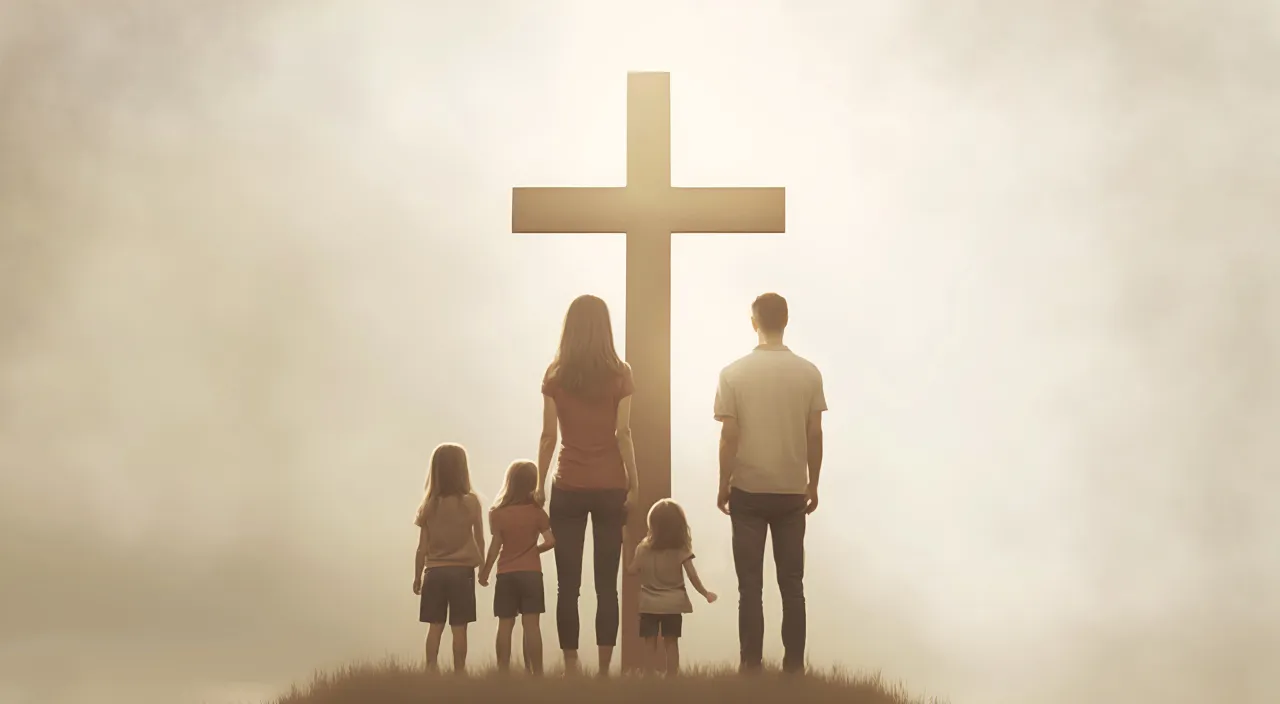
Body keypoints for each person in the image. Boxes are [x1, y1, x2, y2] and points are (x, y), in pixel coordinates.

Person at [713, 293, 826, 675]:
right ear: (787, 320)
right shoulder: (809, 372)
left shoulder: (733, 373)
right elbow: (815, 433)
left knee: (751, 587)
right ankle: (794, 667)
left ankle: (751, 666)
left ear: (753, 322)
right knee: (792, 584)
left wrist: (723, 482)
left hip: (747, 487)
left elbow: (729, 435)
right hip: (792, 488)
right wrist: (813, 483)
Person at [537, 294, 640, 676]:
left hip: (568, 485)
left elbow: (549, 436)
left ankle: (570, 663)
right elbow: (623, 431)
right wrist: (633, 481)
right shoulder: (621, 373)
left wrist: (539, 483)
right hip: (611, 485)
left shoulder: (555, 374)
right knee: (606, 585)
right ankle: (602, 669)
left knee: (568, 585)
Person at [412, 442, 486, 674]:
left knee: (435, 627)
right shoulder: (471, 502)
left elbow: (421, 548)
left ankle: (430, 670)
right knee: (459, 628)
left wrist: (417, 577)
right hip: (462, 573)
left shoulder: (428, 505)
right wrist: (483, 567)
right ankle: (459, 673)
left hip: (434, 572)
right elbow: (480, 539)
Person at [478, 460, 557, 675]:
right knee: (531, 626)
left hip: (506, 575)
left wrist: (485, 570)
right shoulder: (537, 512)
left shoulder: (497, 513)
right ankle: (536, 673)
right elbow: (550, 541)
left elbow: (495, 546)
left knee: (505, 624)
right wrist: (534, 551)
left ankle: (502, 672)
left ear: (509, 483)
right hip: (531, 574)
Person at [624, 499, 717, 676]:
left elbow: (631, 570)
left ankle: (649, 674)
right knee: (671, 642)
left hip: (649, 605)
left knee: (649, 642)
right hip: (673, 605)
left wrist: (627, 545)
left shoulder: (643, 549)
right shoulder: (681, 549)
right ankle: (672, 675)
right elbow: (692, 575)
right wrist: (705, 593)